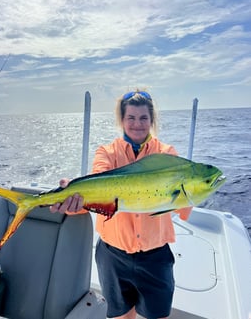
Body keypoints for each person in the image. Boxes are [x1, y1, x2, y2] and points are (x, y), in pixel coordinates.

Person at [50, 90, 191, 319]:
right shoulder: (107, 152)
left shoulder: (166, 154)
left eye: (143, 118)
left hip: (155, 257)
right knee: (121, 316)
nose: (137, 124)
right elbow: (99, 185)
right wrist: (73, 197)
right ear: (122, 120)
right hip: (113, 257)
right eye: (131, 118)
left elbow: (181, 204)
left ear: (152, 120)